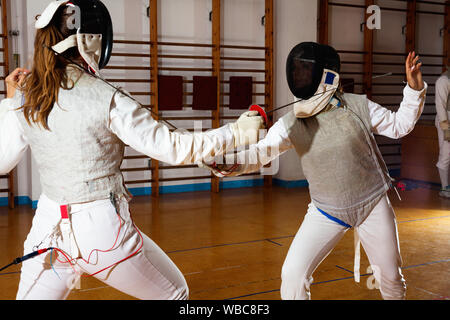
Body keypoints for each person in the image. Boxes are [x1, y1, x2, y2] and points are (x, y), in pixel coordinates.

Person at [0, 0, 264, 300]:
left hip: (47, 232)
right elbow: (172, 147)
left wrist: (9, 103)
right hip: (101, 233)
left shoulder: (26, 98)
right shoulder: (106, 97)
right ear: (91, 40)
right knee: (174, 294)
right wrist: (236, 132)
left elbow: (1, 161)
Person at [203, 42, 427, 300]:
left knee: (391, 278)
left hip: (372, 204)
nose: (299, 77)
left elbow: (400, 126)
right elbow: (262, 151)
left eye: (305, 71)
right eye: (296, 72)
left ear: (326, 75)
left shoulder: (357, 106)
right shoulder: (292, 123)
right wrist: (230, 163)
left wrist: (413, 89)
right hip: (326, 210)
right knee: (293, 275)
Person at [434, 66, 449, 198]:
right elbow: (440, 104)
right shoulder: (443, 80)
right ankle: (445, 188)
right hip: (447, 120)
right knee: (446, 155)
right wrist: (446, 129)